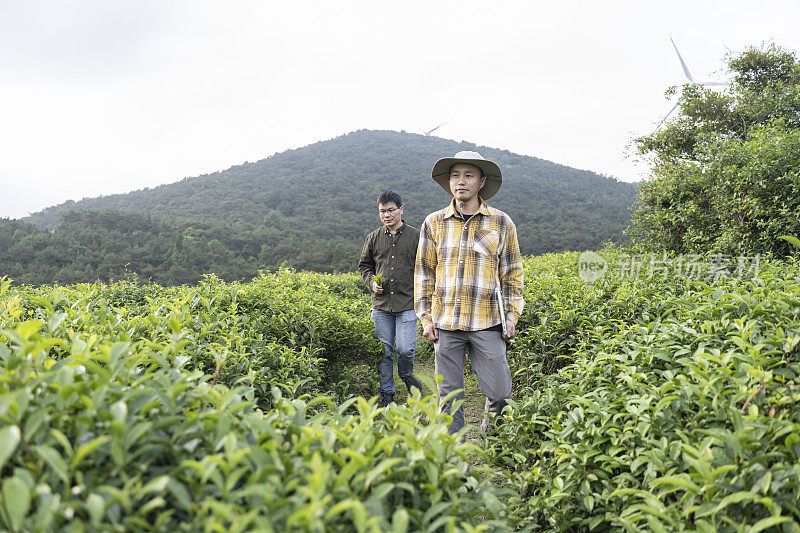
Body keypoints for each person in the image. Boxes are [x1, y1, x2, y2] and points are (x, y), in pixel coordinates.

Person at [414, 151, 524, 434]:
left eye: (468, 175)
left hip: (487, 320)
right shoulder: (433, 222)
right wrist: (426, 319)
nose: (460, 182)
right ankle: (454, 460)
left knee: (500, 393)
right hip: (446, 322)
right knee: (448, 398)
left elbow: (511, 273)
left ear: (481, 182)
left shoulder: (501, 223)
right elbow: (424, 273)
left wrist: (511, 316)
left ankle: (490, 438)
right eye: (455, 175)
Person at [359, 190, 424, 407]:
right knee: (383, 351)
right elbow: (365, 267)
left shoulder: (416, 236)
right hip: (381, 305)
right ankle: (387, 392)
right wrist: (371, 283)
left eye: (391, 210)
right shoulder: (373, 238)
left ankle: (406, 375)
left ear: (400, 210)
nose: (387, 215)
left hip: (408, 303)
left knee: (405, 349)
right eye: (382, 211)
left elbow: (427, 267)